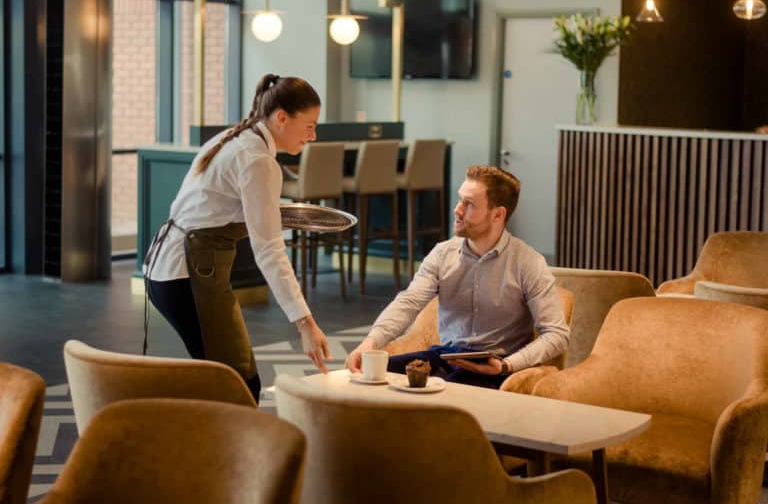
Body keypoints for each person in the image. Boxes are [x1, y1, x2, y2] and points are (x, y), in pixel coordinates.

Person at [144, 74, 331, 403]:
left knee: (229, 377)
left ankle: (215, 446)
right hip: (187, 273)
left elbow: (213, 207)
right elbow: (269, 250)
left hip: (171, 267)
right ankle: (225, 449)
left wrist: (275, 215)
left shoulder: (239, 137)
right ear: (281, 117)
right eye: (310, 126)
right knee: (237, 382)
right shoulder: (258, 160)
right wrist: (305, 324)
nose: (313, 136)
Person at [345, 166, 569, 389]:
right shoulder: (442, 254)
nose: (457, 210)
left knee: (437, 395)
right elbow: (409, 302)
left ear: (498, 214)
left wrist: (507, 365)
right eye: (460, 200)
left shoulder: (528, 262)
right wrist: (371, 341)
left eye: (469, 204)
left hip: (494, 369)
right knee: (365, 378)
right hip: (444, 357)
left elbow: (557, 334)